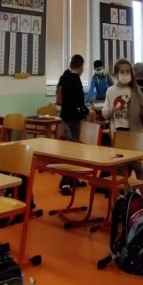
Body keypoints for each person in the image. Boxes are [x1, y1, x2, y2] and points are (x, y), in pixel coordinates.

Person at [102, 58, 143, 179]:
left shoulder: (135, 90)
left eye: (127, 71)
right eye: (122, 71)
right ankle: (122, 189)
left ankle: (142, 188)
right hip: (117, 132)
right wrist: (112, 110)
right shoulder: (111, 91)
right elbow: (105, 113)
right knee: (119, 164)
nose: (125, 74)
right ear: (116, 73)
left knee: (135, 163)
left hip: (132, 132)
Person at [57, 54, 89, 194]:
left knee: (69, 149)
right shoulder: (75, 79)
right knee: (72, 151)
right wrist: (85, 111)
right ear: (81, 67)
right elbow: (78, 100)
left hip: (64, 116)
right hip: (73, 119)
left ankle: (73, 179)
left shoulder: (63, 77)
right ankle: (65, 182)